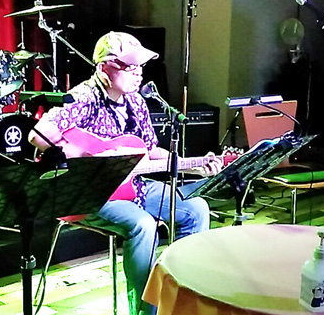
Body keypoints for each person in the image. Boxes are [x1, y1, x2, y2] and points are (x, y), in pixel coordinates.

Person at [28, 31, 221, 315]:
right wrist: (86, 160)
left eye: (140, 66)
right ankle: (145, 311)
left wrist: (192, 164)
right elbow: (38, 136)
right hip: (91, 194)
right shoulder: (83, 97)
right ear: (104, 67)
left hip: (132, 187)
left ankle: (180, 296)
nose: (138, 73)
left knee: (197, 208)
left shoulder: (136, 102)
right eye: (130, 66)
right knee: (143, 225)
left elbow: (151, 151)